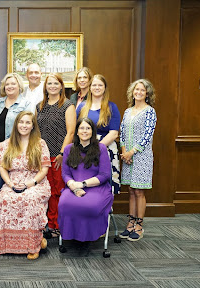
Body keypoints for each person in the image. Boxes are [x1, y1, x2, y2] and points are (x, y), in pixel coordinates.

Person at [0, 111, 51, 260]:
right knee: (4, 201)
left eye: (28, 122)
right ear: (16, 124)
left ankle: (34, 245)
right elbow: (2, 167)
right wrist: (10, 184)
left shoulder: (40, 143)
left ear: (32, 126)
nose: (24, 125)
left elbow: (44, 169)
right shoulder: (7, 143)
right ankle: (7, 245)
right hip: (13, 182)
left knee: (29, 200)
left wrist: (31, 183)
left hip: (36, 182)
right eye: (21, 122)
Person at [58, 117, 114, 256]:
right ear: (76, 131)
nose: (84, 131)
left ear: (92, 131)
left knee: (89, 206)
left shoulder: (100, 148)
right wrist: (74, 187)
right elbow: (65, 174)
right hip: (73, 187)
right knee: (64, 203)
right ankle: (73, 237)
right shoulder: (68, 149)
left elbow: (104, 175)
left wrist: (82, 184)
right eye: (81, 128)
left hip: (96, 187)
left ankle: (87, 239)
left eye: (88, 128)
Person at [36, 73, 76, 238]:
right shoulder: (40, 106)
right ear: (45, 86)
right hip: (42, 156)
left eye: (55, 83)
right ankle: (49, 224)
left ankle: (58, 225)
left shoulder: (67, 105)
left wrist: (61, 153)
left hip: (59, 155)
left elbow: (71, 131)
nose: (52, 86)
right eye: (49, 83)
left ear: (61, 86)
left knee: (59, 191)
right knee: (46, 191)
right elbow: (37, 131)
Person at [119, 79, 157, 242]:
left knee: (139, 191)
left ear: (147, 93)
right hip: (127, 156)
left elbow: (147, 136)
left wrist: (132, 152)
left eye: (142, 90)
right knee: (131, 191)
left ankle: (139, 226)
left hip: (141, 156)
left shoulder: (150, 112)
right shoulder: (128, 111)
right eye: (136, 90)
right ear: (132, 92)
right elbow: (122, 132)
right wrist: (124, 152)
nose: (139, 92)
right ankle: (130, 223)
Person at [76, 74, 121, 194]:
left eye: (100, 85)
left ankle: (107, 211)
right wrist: (86, 149)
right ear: (90, 87)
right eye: (94, 85)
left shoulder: (112, 107)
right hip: (84, 148)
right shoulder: (82, 106)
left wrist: (96, 148)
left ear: (105, 88)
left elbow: (113, 133)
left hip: (105, 148)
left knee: (106, 181)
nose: (97, 87)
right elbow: (76, 129)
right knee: (85, 179)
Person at [0, 73, 33, 187]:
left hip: (17, 150)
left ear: (19, 86)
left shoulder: (26, 104)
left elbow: (26, 126)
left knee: (13, 183)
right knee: (2, 184)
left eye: (13, 83)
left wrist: (5, 144)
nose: (10, 86)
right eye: (7, 84)